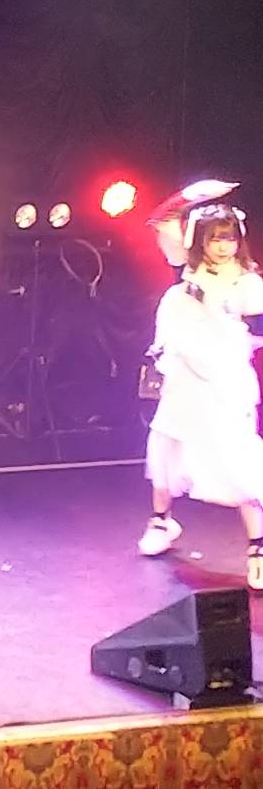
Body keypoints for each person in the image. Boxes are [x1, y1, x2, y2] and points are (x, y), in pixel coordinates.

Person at [139, 182, 263, 590]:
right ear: (201, 240)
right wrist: (191, 196)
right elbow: (159, 219)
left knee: (238, 457)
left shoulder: (248, 282)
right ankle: (161, 522)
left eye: (230, 238)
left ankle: (258, 548)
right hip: (184, 376)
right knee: (168, 445)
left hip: (224, 378)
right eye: (216, 238)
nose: (224, 246)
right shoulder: (186, 269)